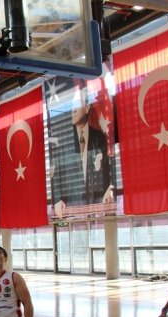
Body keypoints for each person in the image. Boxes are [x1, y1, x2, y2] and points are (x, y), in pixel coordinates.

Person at [50, 80, 115, 217]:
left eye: (77, 104)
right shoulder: (65, 142)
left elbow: (107, 169)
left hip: (96, 204)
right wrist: (57, 199)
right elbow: (56, 174)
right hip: (72, 208)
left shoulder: (99, 138)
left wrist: (110, 187)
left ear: (87, 108)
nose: (73, 109)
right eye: (71, 105)